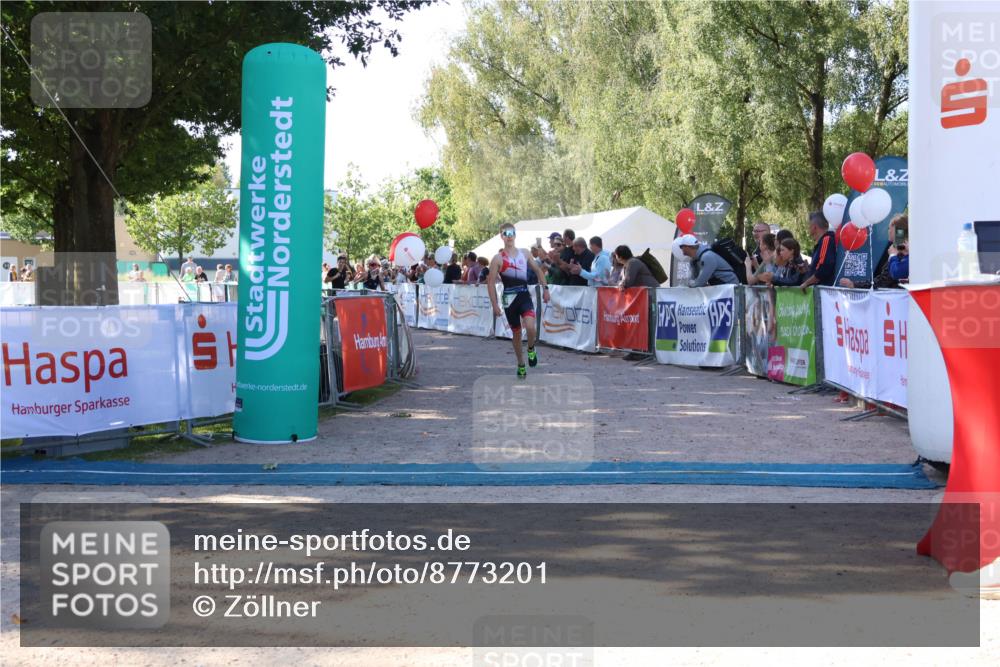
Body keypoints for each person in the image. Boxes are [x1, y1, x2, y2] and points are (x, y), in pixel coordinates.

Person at [487, 222, 550, 379]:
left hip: (524, 295)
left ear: (515, 234)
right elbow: (490, 283)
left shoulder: (525, 253)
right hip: (509, 299)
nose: (509, 236)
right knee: (516, 334)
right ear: (501, 236)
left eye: (512, 233)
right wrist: (494, 305)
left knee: (530, 327)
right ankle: (521, 363)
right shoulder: (497, 259)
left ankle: (530, 348)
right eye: (506, 233)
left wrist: (545, 289)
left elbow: (538, 270)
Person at [673, 235, 740, 287]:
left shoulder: (707, 257)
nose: (680, 249)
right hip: (722, 288)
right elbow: (694, 280)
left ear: (687, 247)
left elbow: (699, 283)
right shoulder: (695, 260)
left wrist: (689, 283)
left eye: (681, 246)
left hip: (731, 289)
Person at [799, 211, 837, 291]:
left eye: (809, 225)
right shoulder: (822, 242)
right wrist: (808, 268)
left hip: (825, 292)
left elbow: (824, 268)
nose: (808, 228)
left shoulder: (826, 240)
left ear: (814, 227)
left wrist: (806, 283)